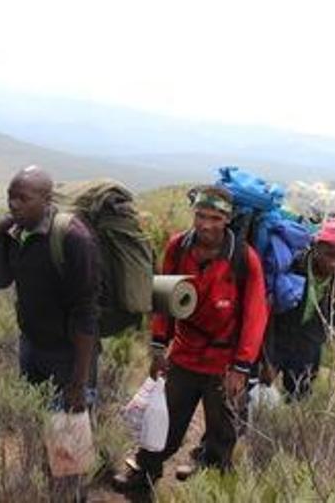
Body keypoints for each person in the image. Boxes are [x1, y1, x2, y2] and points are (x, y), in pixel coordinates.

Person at [114, 185, 268, 493]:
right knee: (165, 419)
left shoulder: (244, 259)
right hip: (184, 354)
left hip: (224, 362)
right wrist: (159, 346)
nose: (205, 225)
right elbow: (164, 301)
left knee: (222, 431)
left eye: (215, 218)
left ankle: (210, 484)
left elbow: (255, 314)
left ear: (227, 219)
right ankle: (143, 474)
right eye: (200, 215)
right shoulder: (178, 247)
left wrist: (241, 366)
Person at [0, 166, 101, 413]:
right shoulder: (17, 233)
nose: (13, 205)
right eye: (10, 197)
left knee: (67, 430)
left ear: (47, 201)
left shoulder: (73, 239)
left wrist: (78, 383)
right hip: (31, 346)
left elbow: (86, 313)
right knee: (34, 420)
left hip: (67, 356)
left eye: (23, 198)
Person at [266, 217, 335, 401]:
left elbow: (334, 320)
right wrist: (266, 355)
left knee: (299, 399)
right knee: (259, 389)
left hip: (308, 348)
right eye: (330, 255)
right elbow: (269, 309)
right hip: (278, 341)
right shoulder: (294, 265)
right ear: (315, 247)